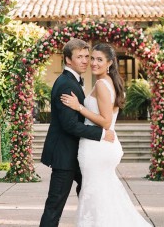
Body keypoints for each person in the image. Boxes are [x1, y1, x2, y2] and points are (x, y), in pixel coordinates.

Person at [60, 43, 152, 227]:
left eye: (99, 59)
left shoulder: (102, 84)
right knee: (103, 193)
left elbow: (106, 121)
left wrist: (79, 107)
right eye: (92, 58)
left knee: (95, 193)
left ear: (109, 62)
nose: (93, 63)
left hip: (97, 147)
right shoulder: (109, 81)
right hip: (102, 146)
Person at [40, 39, 115, 227]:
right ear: (68, 60)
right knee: (54, 205)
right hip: (65, 155)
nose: (85, 61)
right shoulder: (67, 84)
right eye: (79, 57)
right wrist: (100, 134)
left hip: (78, 154)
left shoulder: (73, 81)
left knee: (92, 195)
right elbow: (70, 125)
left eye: (86, 57)